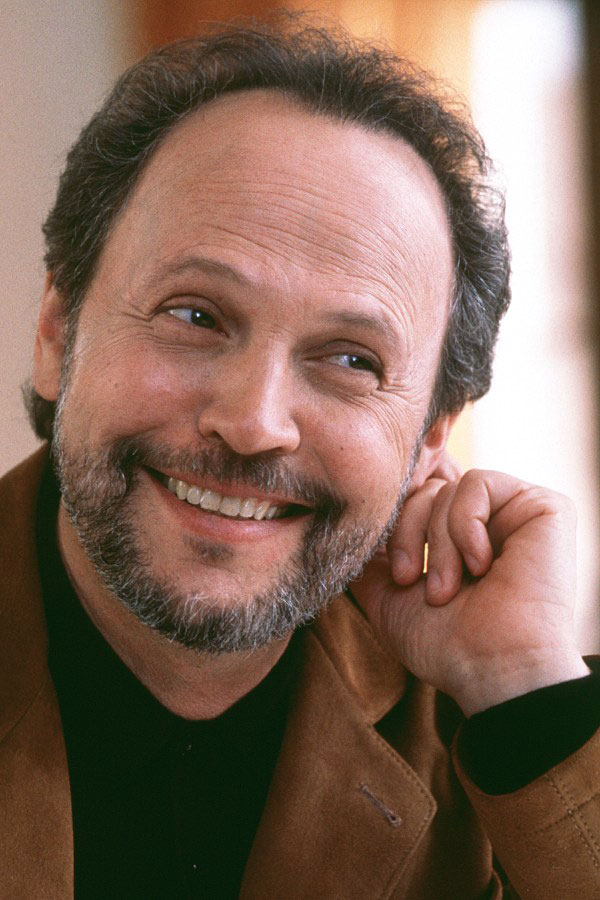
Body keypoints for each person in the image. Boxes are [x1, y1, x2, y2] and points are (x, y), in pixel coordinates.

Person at [1, 17, 598, 899]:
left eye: (352, 360)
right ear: (59, 332)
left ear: (430, 439)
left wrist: (525, 694)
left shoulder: (498, 733)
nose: (254, 423)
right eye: (195, 315)